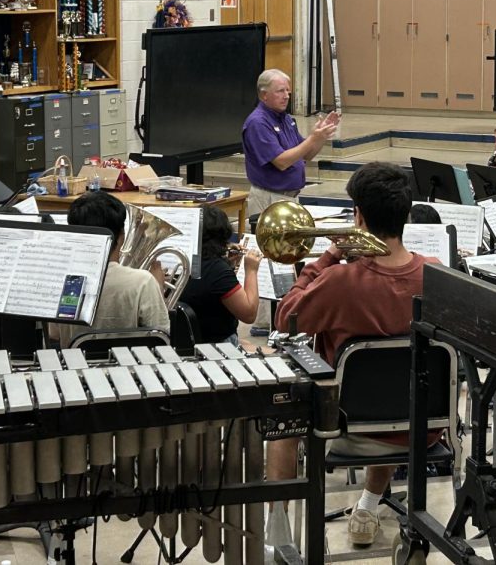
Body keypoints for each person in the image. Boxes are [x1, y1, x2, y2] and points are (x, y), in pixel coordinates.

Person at [265, 163, 427, 550]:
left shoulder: (338, 281)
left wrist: (324, 261)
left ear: (357, 216)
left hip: (346, 427)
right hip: (421, 425)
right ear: (407, 214)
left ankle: (277, 535)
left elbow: (286, 318)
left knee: (281, 422)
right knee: (396, 388)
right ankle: (368, 506)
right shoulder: (436, 274)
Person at [58, 191, 169, 344]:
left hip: (73, 364)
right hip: (130, 365)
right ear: (121, 236)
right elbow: (162, 337)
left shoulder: (63, 280)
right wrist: (158, 287)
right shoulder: (143, 281)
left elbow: (54, 334)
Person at [241, 69, 339, 216]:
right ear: (264, 95)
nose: (286, 96)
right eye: (280, 91)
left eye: (288, 91)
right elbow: (282, 162)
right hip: (269, 198)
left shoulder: (285, 118)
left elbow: (306, 155)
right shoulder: (258, 123)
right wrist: (312, 138)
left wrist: (321, 137)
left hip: (291, 197)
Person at [179, 206, 260, 345]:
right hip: (216, 344)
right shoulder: (218, 271)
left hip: (182, 340)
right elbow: (249, 314)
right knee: (248, 344)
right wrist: (251, 270)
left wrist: (227, 262)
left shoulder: (179, 260)